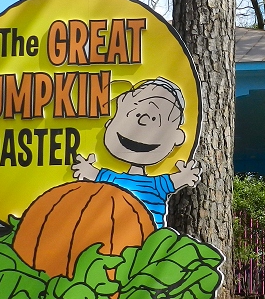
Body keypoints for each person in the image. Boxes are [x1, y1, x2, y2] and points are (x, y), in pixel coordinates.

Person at [72, 77, 201, 229]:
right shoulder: (113, 179)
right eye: (136, 115)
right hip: (114, 236)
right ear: (110, 122)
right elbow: (95, 174)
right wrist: (85, 168)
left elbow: (174, 182)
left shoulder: (157, 185)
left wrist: (187, 175)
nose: (143, 122)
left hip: (150, 242)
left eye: (155, 119)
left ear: (177, 137)